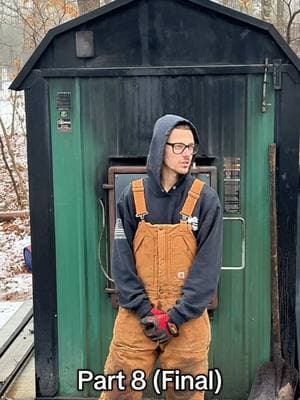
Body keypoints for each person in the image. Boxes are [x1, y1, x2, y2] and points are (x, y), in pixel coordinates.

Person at [100, 114, 223, 400]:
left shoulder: (205, 200)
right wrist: (145, 311)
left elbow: (208, 268)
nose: (186, 154)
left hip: (187, 320)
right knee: (119, 392)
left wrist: (176, 316)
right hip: (136, 316)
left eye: (190, 147)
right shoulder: (133, 197)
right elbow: (121, 261)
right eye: (178, 146)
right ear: (159, 147)